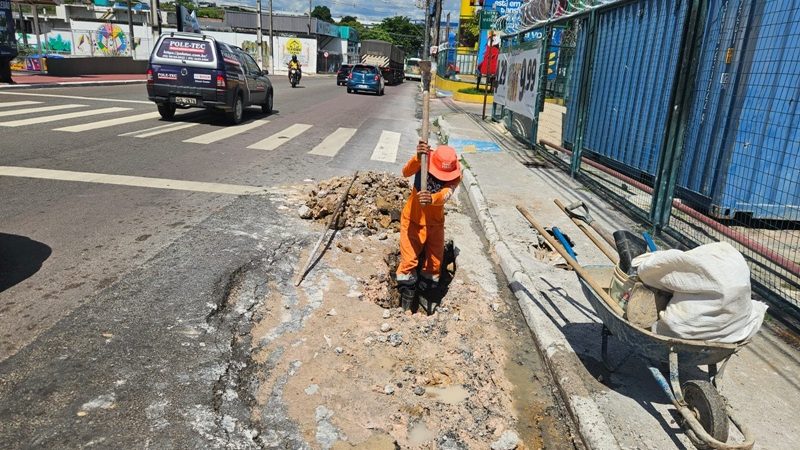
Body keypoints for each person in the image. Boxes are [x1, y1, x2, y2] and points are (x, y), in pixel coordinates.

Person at [396, 141, 462, 314]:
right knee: (408, 263)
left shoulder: (456, 175)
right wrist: (418, 158)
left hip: (435, 224)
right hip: (413, 220)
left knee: (433, 265)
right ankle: (405, 305)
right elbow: (405, 172)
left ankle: (427, 299)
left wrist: (432, 198)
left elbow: (445, 194)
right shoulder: (424, 159)